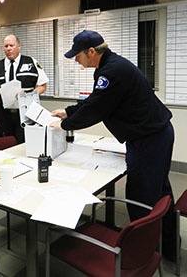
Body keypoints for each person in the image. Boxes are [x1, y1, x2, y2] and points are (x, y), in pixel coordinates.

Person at [50, 30, 177, 261]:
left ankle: (140, 254)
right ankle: (168, 247)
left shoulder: (112, 71)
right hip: (154, 134)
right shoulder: (108, 67)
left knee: (142, 196)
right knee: (158, 192)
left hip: (149, 139)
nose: (75, 60)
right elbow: (95, 100)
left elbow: (97, 108)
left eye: (77, 55)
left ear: (91, 52)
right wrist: (67, 111)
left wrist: (66, 124)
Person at [0, 34, 49, 143]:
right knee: (5, 143)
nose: (9, 48)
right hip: (3, 114)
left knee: (25, 143)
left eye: (11, 45)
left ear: (19, 46)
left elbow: (43, 86)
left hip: (26, 113)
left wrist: (29, 94)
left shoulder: (31, 62)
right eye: (6, 46)